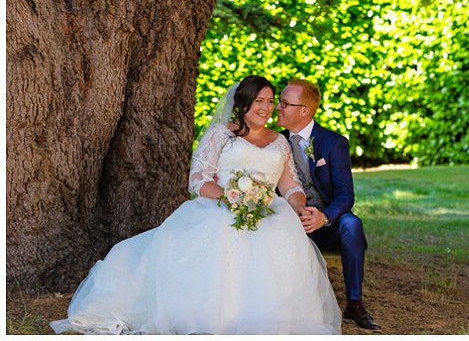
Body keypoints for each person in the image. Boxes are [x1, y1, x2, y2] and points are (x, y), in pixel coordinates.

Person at [50, 75, 341, 335]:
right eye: (258, 101)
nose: (266, 107)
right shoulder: (221, 134)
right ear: (243, 103)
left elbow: (291, 186)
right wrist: (232, 196)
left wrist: (299, 206)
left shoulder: (280, 142)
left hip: (268, 212)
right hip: (221, 209)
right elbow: (198, 180)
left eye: (270, 101)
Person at [276, 78, 381, 332]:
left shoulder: (334, 143)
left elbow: (346, 195)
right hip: (290, 222)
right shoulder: (274, 142)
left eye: (284, 103)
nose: (277, 107)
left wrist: (324, 217)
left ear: (305, 110)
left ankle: (355, 303)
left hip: (328, 223)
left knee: (352, 223)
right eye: (279, 102)